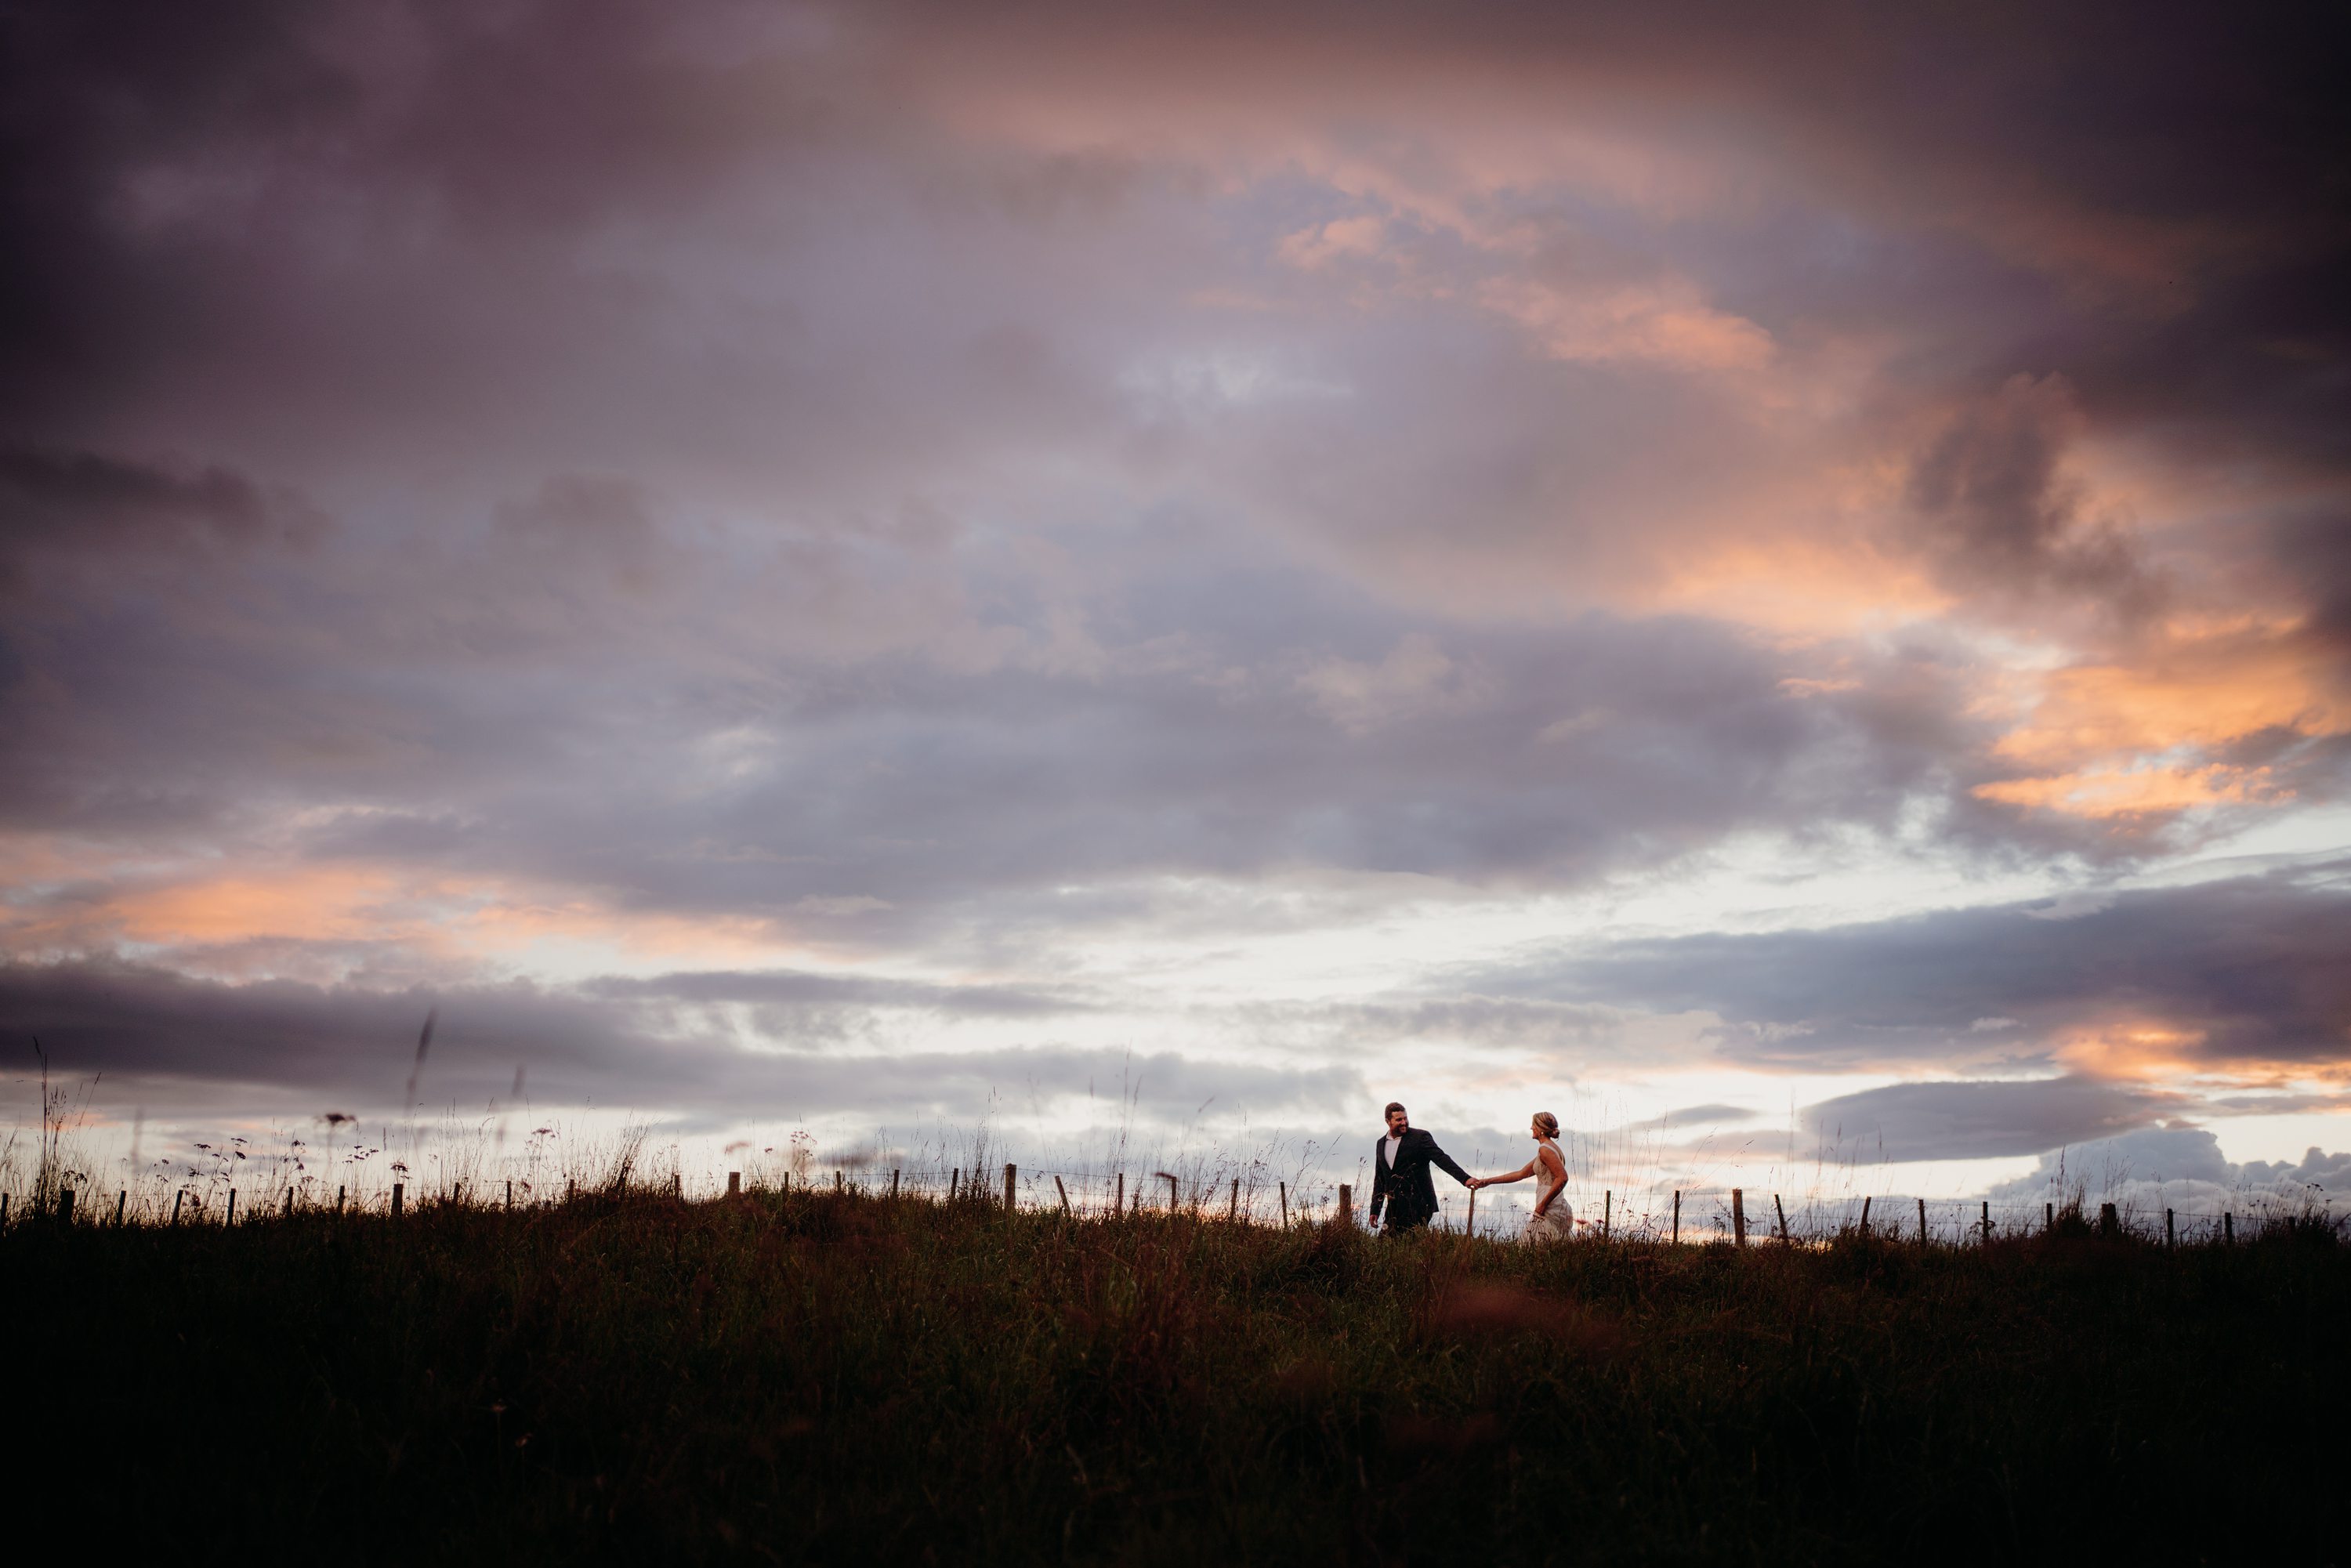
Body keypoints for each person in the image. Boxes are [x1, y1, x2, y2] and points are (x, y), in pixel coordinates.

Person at [1367, 1101, 1473, 1235]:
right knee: (1385, 1243)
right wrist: (1375, 1210)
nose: (1404, 1122)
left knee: (1410, 1244)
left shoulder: (1420, 1137)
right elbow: (1380, 1179)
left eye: (1405, 1118)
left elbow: (1441, 1158)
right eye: (1399, 1119)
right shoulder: (1381, 1143)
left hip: (1419, 1204)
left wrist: (1465, 1179)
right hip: (1394, 1206)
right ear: (1388, 1121)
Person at [1469, 1112, 1573, 1243]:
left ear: (1540, 1129)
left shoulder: (1545, 1150)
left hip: (1550, 1207)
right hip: (1553, 1204)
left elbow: (1562, 1178)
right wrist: (1488, 1181)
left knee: (1527, 1247)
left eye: (1533, 1125)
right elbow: (1521, 1174)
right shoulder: (1550, 1149)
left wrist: (1543, 1204)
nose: (1531, 1128)